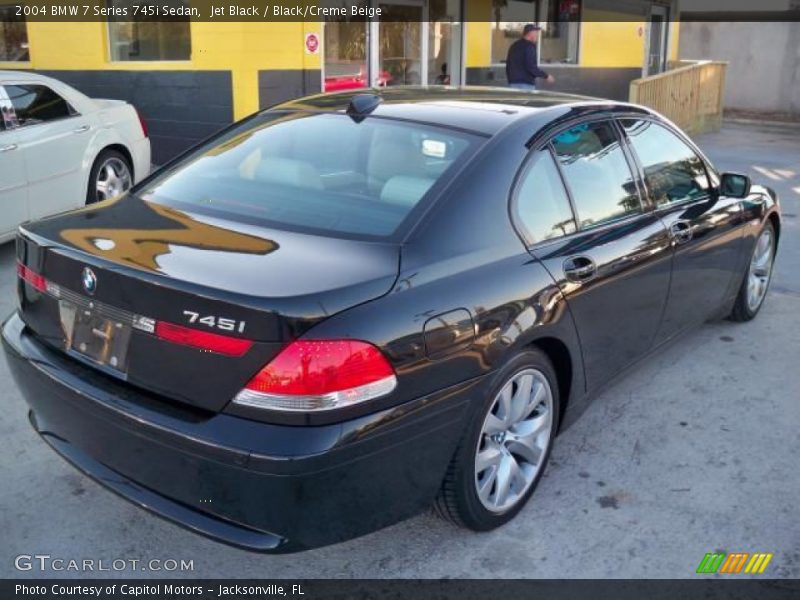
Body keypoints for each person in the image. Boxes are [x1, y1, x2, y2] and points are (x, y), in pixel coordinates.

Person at [505, 23, 555, 91]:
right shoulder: (529, 47)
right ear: (530, 33)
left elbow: (508, 65)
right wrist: (546, 76)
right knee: (526, 101)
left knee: (516, 102)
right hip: (526, 85)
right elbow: (531, 66)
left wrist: (511, 80)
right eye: (536, 33)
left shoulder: (514, 45)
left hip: (513, 83)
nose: (537, 35)